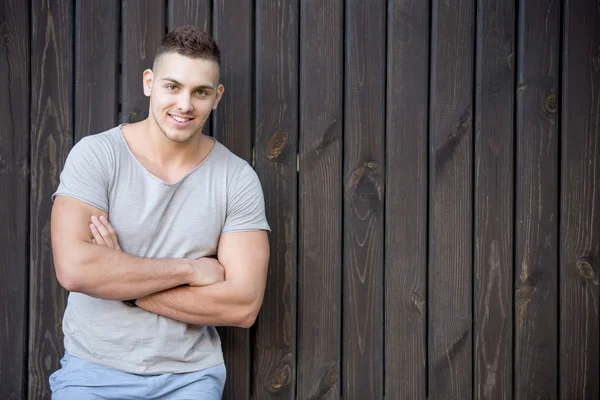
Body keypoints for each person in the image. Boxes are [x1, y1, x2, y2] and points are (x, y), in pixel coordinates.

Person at [49, 26, 270, 399]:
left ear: (216, 97)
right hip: (93, 372)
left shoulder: (237, 179)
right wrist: (191, 270)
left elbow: (243, 305)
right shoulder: (97, 156)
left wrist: (126, 287)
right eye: (173, 86)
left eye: (200, 92)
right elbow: (75, 268)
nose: (185, 105)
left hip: (190, 378)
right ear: (149, 82)